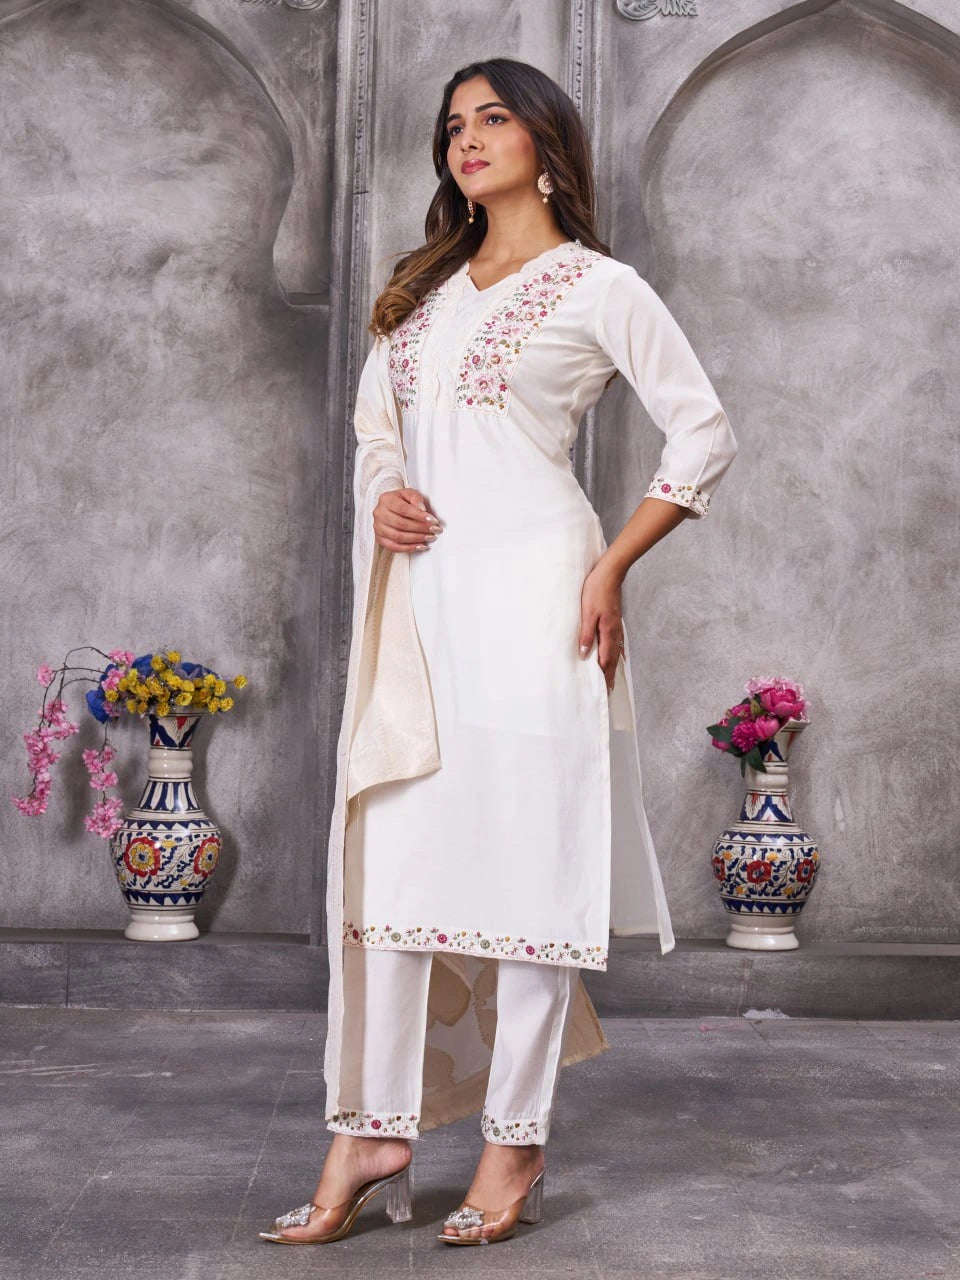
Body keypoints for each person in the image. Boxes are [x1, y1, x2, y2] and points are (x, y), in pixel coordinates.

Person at [259, 56, 738, 1248]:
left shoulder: (598, 285)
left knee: (529, 868)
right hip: (423, 609)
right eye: (452, 125)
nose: (466, 139)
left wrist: (611, 566)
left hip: (537, 603)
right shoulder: (423, 294)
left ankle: (514, 1138)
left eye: (493, 117)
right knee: (397, 861)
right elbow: (378, 426)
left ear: (545, 140)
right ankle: (371, 1129)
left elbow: (703, 430)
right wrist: (384, 490)